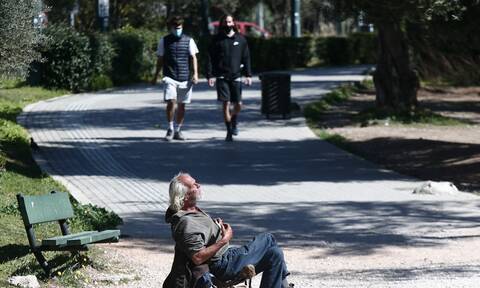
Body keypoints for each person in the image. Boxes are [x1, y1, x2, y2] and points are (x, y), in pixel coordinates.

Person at [163, 172, 293, 288]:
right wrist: (224, 240)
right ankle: (284, 283)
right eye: (194, 185)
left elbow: (201, 236)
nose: (198, 185)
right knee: (268, 238)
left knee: (275, 254)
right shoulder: (186, 222)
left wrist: (216, 228)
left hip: (227, 257)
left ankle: (283, 284)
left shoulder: (192, 210)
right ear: (185, 196)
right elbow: (197, 257)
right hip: (223, 265)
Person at [153, 16, 199, 141]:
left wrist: (195, 74)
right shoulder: (164, 41)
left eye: (179, 28)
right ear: (171, 28)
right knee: (171, 101)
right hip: (170, 77)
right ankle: (170, 128)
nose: (177, 30)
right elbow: (160, 59)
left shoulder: (189, 40)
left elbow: (193, 57)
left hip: (185, 77)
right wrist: (156, 75)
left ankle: (178, 130)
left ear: (182, 27)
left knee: (182, 105)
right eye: (175, 28)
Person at [207, 14, 252, 142]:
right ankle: (228, 132)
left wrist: (248, 75)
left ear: (233, 23)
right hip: (221, 76)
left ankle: (233, 120)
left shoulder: (241, 39)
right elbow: (210, 58)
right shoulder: (216, 40)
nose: (227, 24)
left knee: (238, 105)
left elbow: (246, 58)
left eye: (230, 22)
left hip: (236, 76)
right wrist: (210, 75)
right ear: (222, 24)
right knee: (226, 103)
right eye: (225, 22)